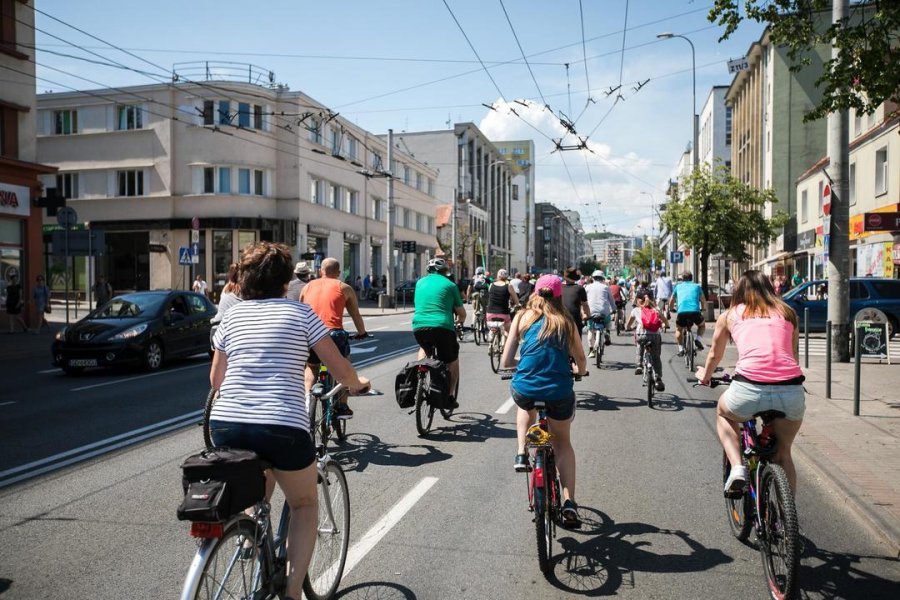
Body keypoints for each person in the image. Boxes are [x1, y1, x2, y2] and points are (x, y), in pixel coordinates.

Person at [209, 241, 369, 600]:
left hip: (225, 423)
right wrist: (357, 383)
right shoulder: (301, 314)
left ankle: (250, 532)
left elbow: (216, 381)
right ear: (286, 282)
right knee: (303, 503)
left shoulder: (232, 316)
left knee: (255, 481)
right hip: (280, 426)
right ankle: (293, 592)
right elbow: (337, 366)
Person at [695, 270, 805, 493]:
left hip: (749, 388)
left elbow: (715, 355)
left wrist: (704, 377)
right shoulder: (788, 312)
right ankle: (790, 523)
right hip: (791, 390)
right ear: (769, 288)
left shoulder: (730, 315)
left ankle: (737, 467)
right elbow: (793, 356)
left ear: (739, 290)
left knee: (723, 412)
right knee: (784, 453)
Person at [500, 273, 587, 528]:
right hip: (559, 391)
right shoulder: (565, 321)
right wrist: (579, 373)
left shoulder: (522, 317)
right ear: (559, 296)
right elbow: (581, 361)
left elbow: (505, 362)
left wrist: (524, 365)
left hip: (526, 388)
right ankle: (569, 502)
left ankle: (520, 454)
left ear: (535, 293)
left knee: (524, 404)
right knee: (562, 443)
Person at [300, 258, 369, 419]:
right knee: (344, 368)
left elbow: (301, 311)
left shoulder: (307, 287)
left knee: (311, 367)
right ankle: (342, 407)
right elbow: (355, 315)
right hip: (334, 334)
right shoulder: (344, 288)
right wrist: (362, 332)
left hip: (310, 333)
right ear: (338, 273)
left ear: (320, 271)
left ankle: (306, 401)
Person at [412, 257, 467, 409]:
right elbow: (461, 313)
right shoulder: (450, 285)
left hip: (419, 326)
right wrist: (459, 324)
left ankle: (420, 375)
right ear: (445, 271)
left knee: (424, 348)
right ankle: (449, 396)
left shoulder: (419, 283)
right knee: (452, 360)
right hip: (443, 327)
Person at [625, 292, 669, 391]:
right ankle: (658, 378)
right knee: (656, 357)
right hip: (655, 336)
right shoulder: (656, 310)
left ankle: (639, 365)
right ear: (652, 300)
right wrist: (665, 325)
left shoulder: (636, 310)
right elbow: (665, 321)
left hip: (641, 335)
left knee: (639, 346)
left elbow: (628, 325)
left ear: (637, 301)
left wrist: (629, 328)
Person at [672, 272, 707, 355]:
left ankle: (680, 349)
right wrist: (703, 308)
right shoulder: (697, 286)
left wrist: (671, 309)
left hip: (682, 312)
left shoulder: (678, 287)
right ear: (691, 278)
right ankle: (698, 340)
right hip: (695, 311)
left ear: (682, 279)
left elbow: (671, 300)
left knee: (678, 329)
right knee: (702, 325)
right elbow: (703, 299)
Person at [584, 271, 616, 356]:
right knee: (608, 322)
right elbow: (611, 300)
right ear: (602, 278)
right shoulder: (606, 287)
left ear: (593, 278)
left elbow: (584, 300)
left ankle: (591, 350)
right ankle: (607, 333)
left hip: (591, 312)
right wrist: (614, 309)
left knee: (590, 330)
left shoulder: (587, 287)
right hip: (604, 312)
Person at [485, 268, 519, 338]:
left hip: (490, 314)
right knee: (509, 333)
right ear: (506, 277)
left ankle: (491, 336)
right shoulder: (509, 286)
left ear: (497, 276)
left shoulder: (491, 285)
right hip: (504, 314)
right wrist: (518, 305)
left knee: (491, 325)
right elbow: (516, 301)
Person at [561, 267, 590, 338]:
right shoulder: (580, 288)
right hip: (575, 320)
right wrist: (588, 316)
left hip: (561, 319)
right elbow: (585, 305)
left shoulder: (560, 288)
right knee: (577, 343)